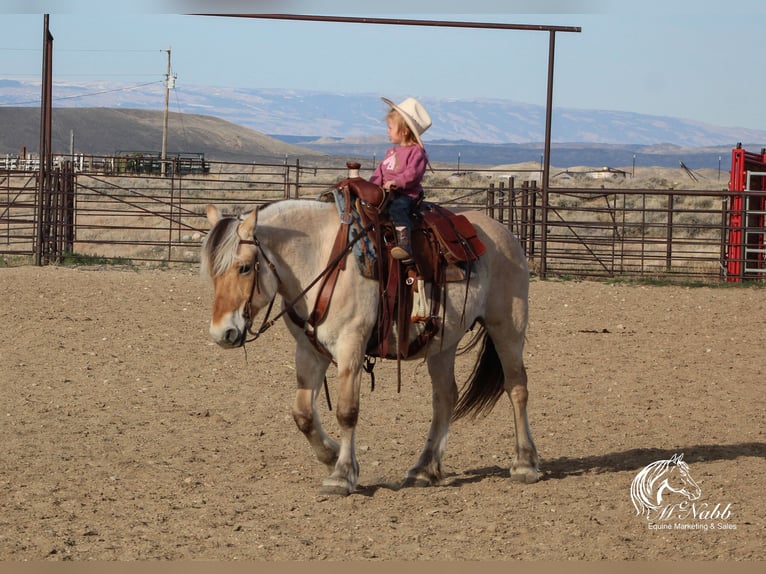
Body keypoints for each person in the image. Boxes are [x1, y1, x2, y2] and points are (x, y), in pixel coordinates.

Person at [369, 97, 431, 261]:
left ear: (404, 131)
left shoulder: (416, 152)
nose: (387, 131)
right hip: (388, 192)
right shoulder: (391, 153)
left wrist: (397, 182)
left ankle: (405, 245)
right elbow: (380, 172)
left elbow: (413, 174)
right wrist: (370, 188)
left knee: (397, 209)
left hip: (407, 194)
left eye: (390, 127)